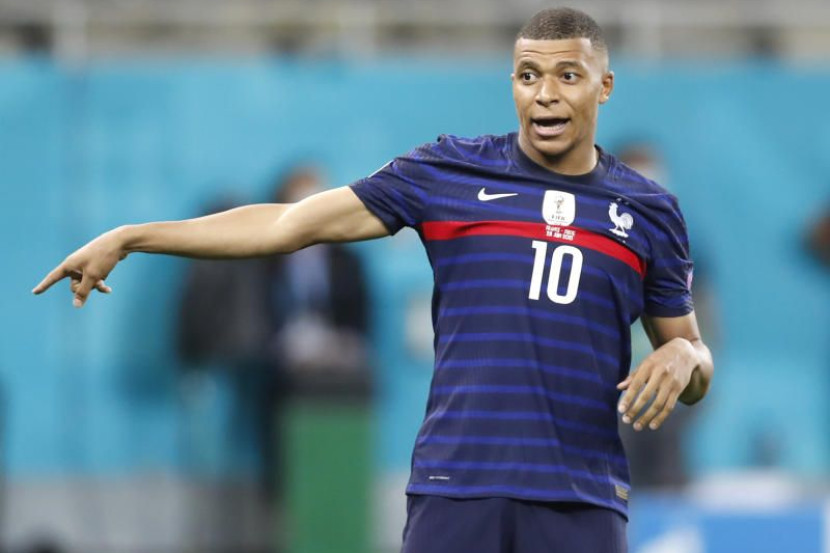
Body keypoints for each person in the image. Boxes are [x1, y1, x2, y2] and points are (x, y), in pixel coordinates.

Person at [33, 7, 714, 553]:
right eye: (528, 75)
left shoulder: (650, 212)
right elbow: (286, 224)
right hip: (456, 487)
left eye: (567, 75)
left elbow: (693, 360)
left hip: (582, 497)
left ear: (604, 86)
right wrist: (133, 236)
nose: (544, 94)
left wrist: (685, 354)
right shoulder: (449, 172)